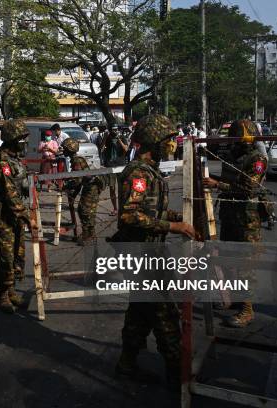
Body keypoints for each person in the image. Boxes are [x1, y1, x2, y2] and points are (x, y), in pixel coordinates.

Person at [113, 114, 196, 390]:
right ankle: (178, 376)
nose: (173, 145)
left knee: (139, 313)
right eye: (169, 140)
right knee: (165, 316)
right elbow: (129, 216)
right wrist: (172, 225)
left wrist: (180, 218)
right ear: (154, 142)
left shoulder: (150, 172)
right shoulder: (138, 174)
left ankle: (126, 364)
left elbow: (152, 211)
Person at [203, 119, 268, 328]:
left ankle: (247, 310)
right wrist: (207, 177)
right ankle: (232, 299)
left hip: (247, 219)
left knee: (245, 264)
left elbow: (249, 188)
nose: (234, 143)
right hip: (230, 214)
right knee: (228, 259)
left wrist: (217, 184)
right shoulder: (233, 156)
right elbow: (228, 181)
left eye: (238, 139)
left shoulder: (257, 159)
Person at [0, 119, 33, 314]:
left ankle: (11, 290)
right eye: (22, 138)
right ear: (13, 139)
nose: (25, 141)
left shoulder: (15, 160)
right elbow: (9, 193)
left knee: (17, 255)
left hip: (15, 215)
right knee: (6, 257)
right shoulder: (2, 162)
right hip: (2, 216)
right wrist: (26, 216)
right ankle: (3, 295)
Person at [61, 138, 104, 245]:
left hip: (92, 186)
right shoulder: (77, 159)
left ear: (70, 149)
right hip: (90, 185)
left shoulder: (77, 160)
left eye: (65, 148)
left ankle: (88, 235)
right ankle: (90, 234)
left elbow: (77, 180)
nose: (63, 150)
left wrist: (67, 188)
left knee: (85, 210)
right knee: (86, 209)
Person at [101, 128, 130, 216]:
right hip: (110, 165)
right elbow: (101, 149)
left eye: (115, 129)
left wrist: (119, 140)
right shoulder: (108, 137)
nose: (114, 131)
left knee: (123, 187)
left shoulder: (122, 137)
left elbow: (126, 149)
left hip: (120, 165)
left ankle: (124, 207)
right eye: (112, 129)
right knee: (112, 188)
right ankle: (115, 208)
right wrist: (105, 138)